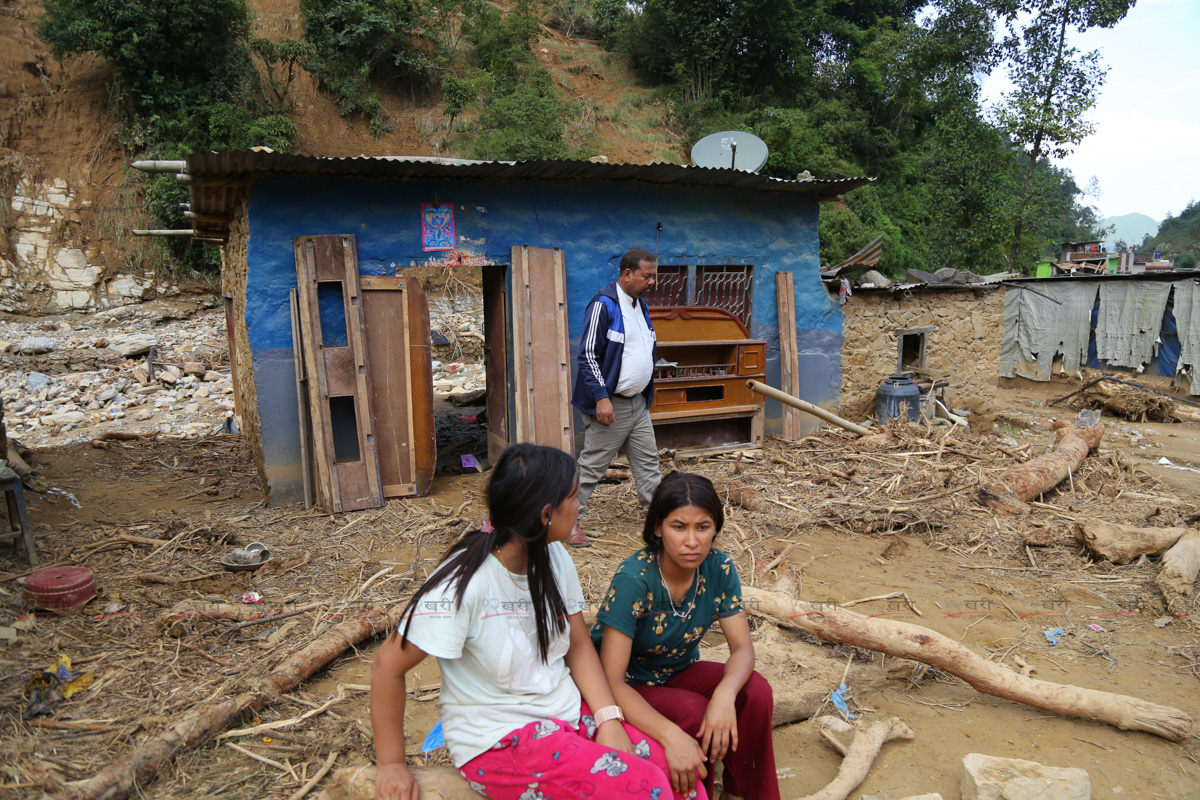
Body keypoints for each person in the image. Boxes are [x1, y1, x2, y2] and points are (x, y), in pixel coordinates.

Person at [371, 444, 705, 800]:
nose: (580, 506)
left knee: (681, 780)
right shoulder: (462, 584)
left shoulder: (553, 556)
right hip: (499, 739)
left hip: (566, 714)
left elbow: (577, 646)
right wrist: (391, 764)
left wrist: (609, 719)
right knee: (648, 789)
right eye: (575, 498)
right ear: (546, 514)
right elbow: (386, 666)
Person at [591, 472, 779, 800]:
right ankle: (697, 792)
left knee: (754, 691)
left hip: (678, 671)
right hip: (630, 684)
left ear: (715, 530)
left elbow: (742, 650)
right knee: (693, 711)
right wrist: (669, 735)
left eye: (702, 527)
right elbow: (612, 681)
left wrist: (724, 694)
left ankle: (741, 792)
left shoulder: (718, 568)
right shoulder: (635, 579)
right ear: (657, 529)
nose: (692, 541)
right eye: (679, 527)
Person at [569, 247, 661, 547]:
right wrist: (601, 397)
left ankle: (658, 519)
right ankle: (568, 521)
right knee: (593, 464)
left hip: (637, 403)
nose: (651, 282)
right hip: (613, 403)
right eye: (647, 276)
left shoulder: (639, 305)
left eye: (653, 276)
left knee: (648, 463)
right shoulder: (604, 305)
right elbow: (587, 356)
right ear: (627, 274)